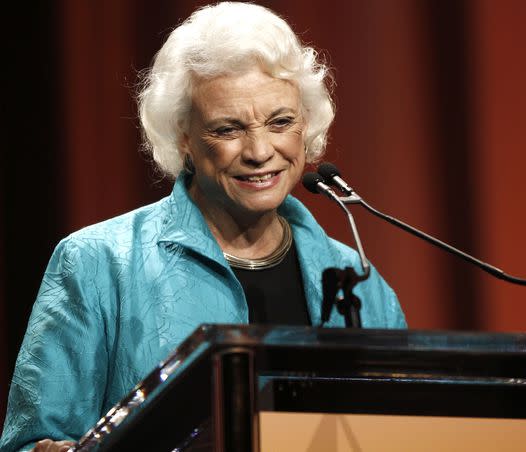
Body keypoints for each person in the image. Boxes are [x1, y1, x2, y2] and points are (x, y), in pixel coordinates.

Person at [0, 3, 406, 451]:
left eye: (280, 122)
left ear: (306, 124)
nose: (258, 151)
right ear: (183, 138)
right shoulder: (97, 263)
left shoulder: (359, 282)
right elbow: (32, 441)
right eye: (228, 129)